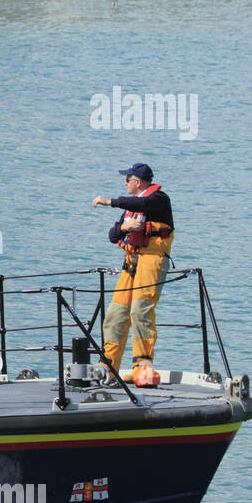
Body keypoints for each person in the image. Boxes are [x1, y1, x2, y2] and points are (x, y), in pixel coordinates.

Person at [92, 163, 175, 380]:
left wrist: (110, 202)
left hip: (152, 261)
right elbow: (112, 235)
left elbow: (143, 203)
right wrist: (124, 228)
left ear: (137, 182)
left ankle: (143, 366)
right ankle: (107, 368)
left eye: (127, 179)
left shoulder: (159, 200)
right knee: (115, 314)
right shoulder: (130, 210)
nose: (125, 183)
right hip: (130, 264)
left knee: (140, 310)